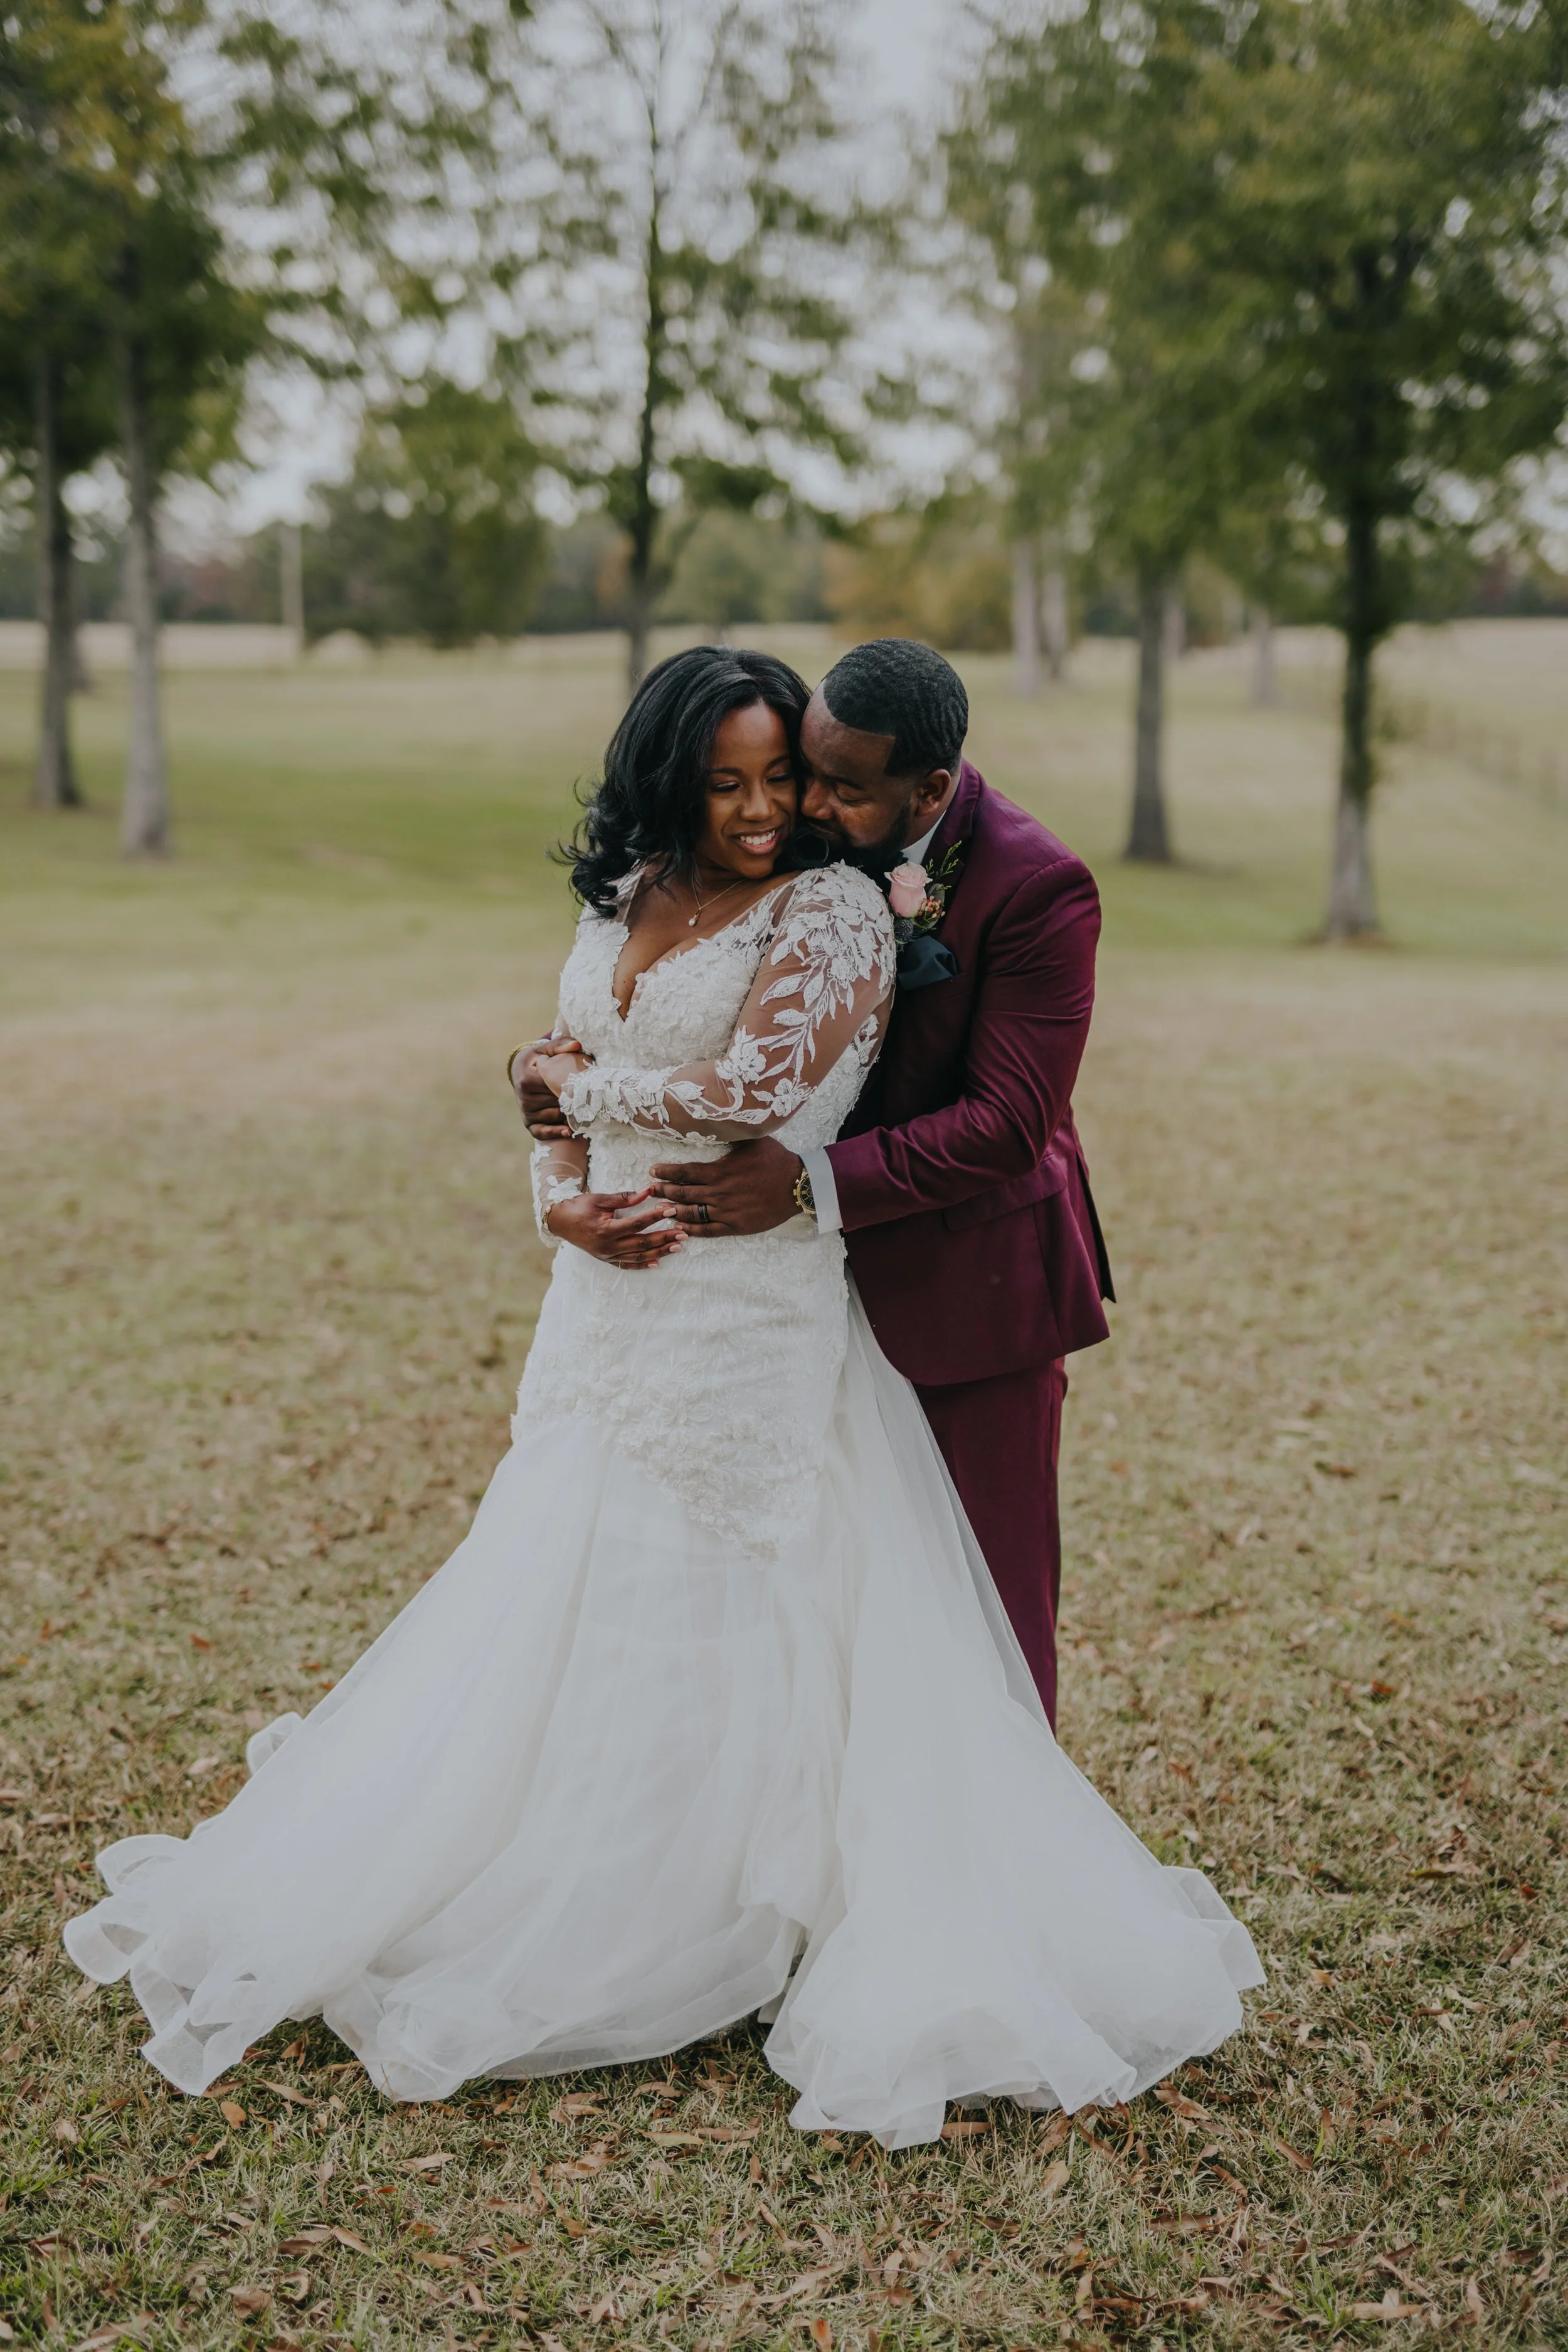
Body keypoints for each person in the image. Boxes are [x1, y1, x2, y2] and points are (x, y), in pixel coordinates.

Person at [65, 645, 1259, 2149]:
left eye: (820, 781)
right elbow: (571, 1070)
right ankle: (604, 1871)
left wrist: (571, 1088)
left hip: (900, 1271)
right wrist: (552, 1180)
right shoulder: (642, 886)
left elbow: (895, 1108)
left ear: (923, 789)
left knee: (953, 1614)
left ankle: (930, 1876)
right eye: (752, 778)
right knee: (583, 1580)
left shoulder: (949, 890)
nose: (794, 807)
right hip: (622, 1302)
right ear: (672, 778)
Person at [627, 638, 1111, 1727]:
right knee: (837, 1596)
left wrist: (807, 1184)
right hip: (798, 1302)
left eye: (846, 788)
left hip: (971, 1291)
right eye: (811, 769)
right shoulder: (804, 832)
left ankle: (1005, 1845)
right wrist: (543, 1064)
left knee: (985, 1597)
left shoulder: (1039, 887)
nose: (813, 806)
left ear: (928, 788)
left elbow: (1006, 1126)